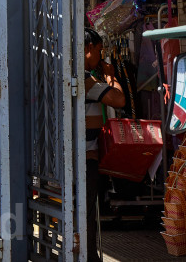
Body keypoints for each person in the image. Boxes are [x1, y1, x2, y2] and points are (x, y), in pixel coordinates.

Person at [85, 27, 126, 262]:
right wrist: (111, 76)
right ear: (88, 48)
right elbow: (119, 99)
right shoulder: (86, 79)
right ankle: (89, 257)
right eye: (99, 51)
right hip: (83, 155)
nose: (101, 57)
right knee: (87, 212)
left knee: (88, 211)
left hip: (85, 152)